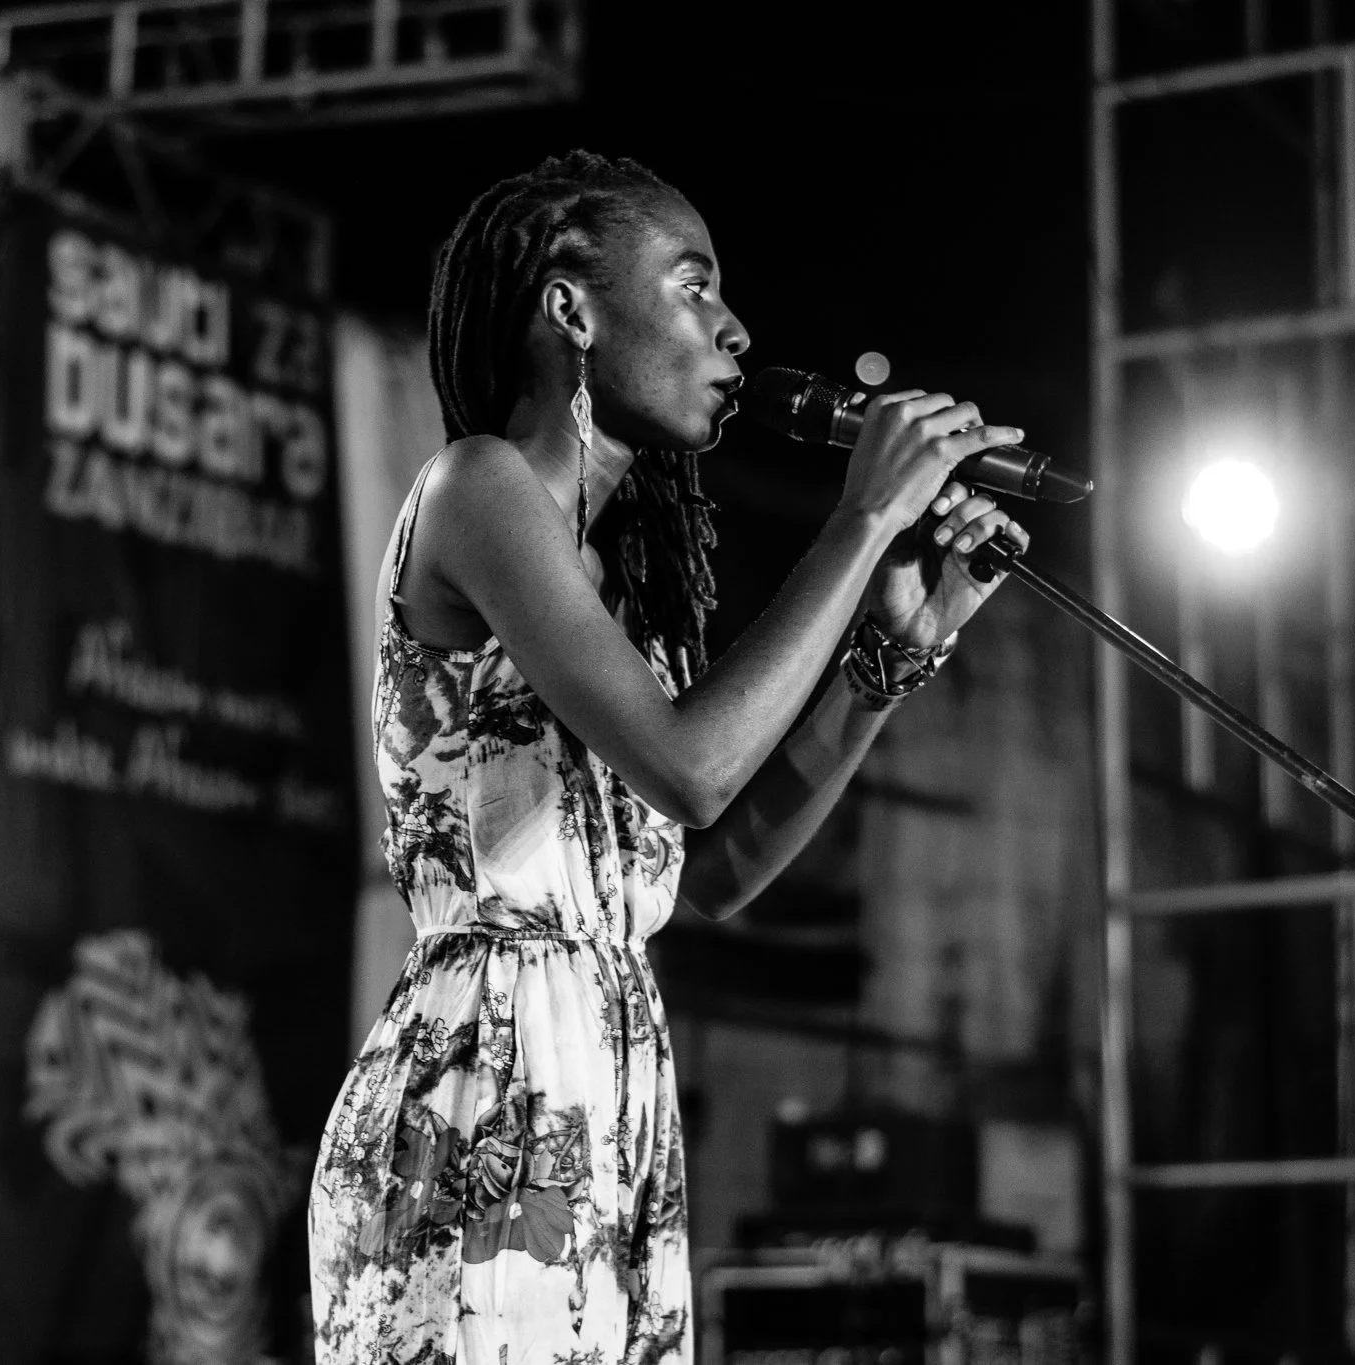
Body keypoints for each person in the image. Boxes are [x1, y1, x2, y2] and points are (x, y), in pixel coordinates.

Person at [307, 150, 1029, 1365]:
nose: (736, 330)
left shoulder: (626, 600)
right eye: (693, 287)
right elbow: (692, 771)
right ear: (569, 308)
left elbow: (714, 870)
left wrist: (886, 661)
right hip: (487, 1080)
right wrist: (862, 518)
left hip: (609, 1079)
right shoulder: (477, 487)